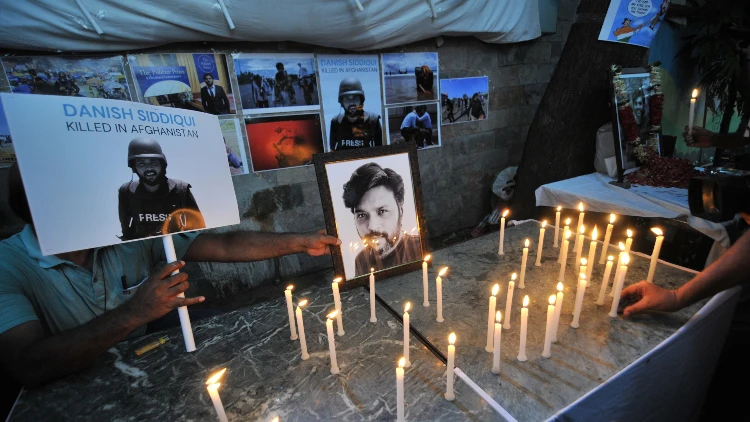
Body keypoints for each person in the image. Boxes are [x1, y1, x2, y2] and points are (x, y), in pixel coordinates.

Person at [0, 163, 340, 387]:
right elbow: (28, 365)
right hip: (76, 380)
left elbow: (222, 246)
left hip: (150, 348)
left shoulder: (127, 233)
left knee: (226, 338)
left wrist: (300, 241)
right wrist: (136, 310)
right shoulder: (8, 265)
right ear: (42, 214)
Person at [118, 138, 205, 241]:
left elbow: (198, 225)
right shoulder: (126, 191)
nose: (149, 168)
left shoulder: (180, 189)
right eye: (141, 164)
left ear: (162, 164)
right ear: (134, 167)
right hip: (144, 246)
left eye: (154, 162)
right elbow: (125, 230)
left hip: (176, 244)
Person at [342, 162, 421, 276]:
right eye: (362, 215)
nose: (372, 226)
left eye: (382, 211)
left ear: (400, 212)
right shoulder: (361, 260)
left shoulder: (420, 249)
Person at [328, 77, 383, 151]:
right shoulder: (336, 122)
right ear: (342, 102)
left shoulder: (373, 120)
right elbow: (332, 150)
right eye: (347, 99)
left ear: (361, 100)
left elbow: (379, 150)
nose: (352, 103)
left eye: (355, 99)